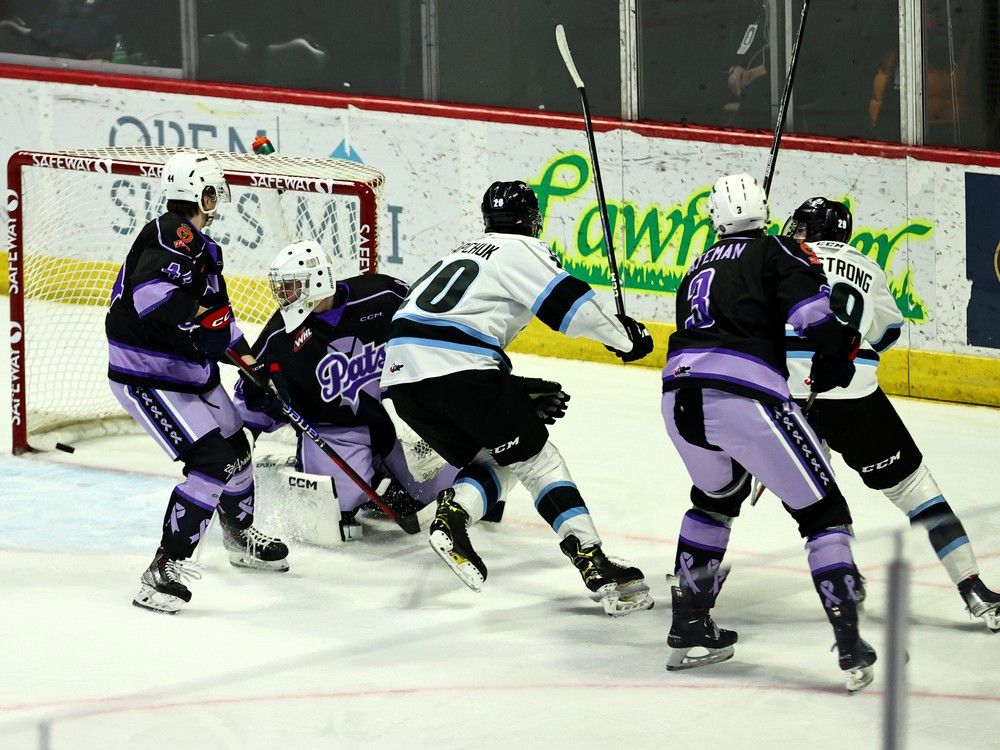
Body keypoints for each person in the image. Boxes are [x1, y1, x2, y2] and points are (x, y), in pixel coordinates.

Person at [381, 180, 656, 616]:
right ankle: (591, 559)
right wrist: (624, 338)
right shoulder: (520, 248)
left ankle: (454, 518)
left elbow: (443, 329)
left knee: (497, 458)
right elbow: (570, 306)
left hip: (403, 381)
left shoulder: (460, 251)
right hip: (457, 369)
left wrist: (513, 386)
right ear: (532, 220)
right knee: (539, 461)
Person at [660, 173, 874, 691]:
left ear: (714, 217)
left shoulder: (695, 267)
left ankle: (690, 625)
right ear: (766, 211)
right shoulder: (779, 251)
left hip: (677, 397)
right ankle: (849, 641)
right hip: (745, 396)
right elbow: (814, 318)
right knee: (823, 513)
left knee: (713, 500)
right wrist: (837, 357)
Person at [782, 197, 1000, 632]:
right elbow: (888, 330)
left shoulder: (781, 256)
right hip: (856, 396)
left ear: (807, 228)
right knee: (916, 490)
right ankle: (974, 589)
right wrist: (854, 357)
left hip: (789, 397)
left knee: (807, 501)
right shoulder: (867, 266)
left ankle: (697, 588)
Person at [107, 151, 288, 615]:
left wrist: (251, 364)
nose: (217, 201)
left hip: (190, 374)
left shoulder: (205, 250)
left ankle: (239, 537)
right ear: (198, 194)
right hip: (149, 376)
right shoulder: (172, 232)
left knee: (237, 448)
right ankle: (162, 569)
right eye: (212, 192)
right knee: (213, 460)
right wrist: (199, 320)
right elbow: (151, 299)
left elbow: (220, 320)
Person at [234, 241, 459, 537]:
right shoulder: (281, 335)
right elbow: (250, 397)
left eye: (290, 287)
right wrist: (259, 402)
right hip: (332, 430)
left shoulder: (383, 295)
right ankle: (286, 470)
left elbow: (428, 321)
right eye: (282, 287)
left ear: (316, 281)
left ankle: (381, 468)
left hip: (382, 419)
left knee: (426, 493)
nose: (283, 296)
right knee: (334, 509)